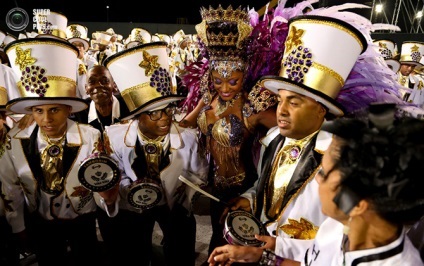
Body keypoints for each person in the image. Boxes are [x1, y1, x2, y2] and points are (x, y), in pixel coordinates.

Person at [208, 104, 424, 266]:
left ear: (359, 203)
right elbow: (316, 257)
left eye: (325, 173)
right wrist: (262, 255)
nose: (318, 179)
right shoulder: (338, 228)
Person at [178, 4, 285, 256]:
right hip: (215, 187)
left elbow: (287, 130)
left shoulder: (253, 107)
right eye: (218, 80)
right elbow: (185, 124)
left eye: (233, 81)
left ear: (244, 75)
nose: (224, 87)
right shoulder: (209, 99)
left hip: (243, 188)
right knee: (218, 236)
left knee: (237, 243)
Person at [95, 41, 209, 266]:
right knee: (135, 253)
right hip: (132, 207)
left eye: (168, 110)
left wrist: (185, 196)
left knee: (181, 250)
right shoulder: (115, 137)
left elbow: (199, 174)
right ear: (137, 116)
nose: (165, 118)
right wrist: (129, 191)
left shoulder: (188, 137)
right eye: (154, 114)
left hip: (175, 205)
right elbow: (113, 175)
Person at [0, 37, 103, 265]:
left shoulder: (90, 137)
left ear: (68, 109)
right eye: (38, 110)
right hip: (40, 222)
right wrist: (18, 226)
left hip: (82, 220)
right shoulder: (16, 140)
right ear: (30, 112)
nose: (47, 119)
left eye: (55, 109)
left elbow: (100, 183)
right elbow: (10, 187)